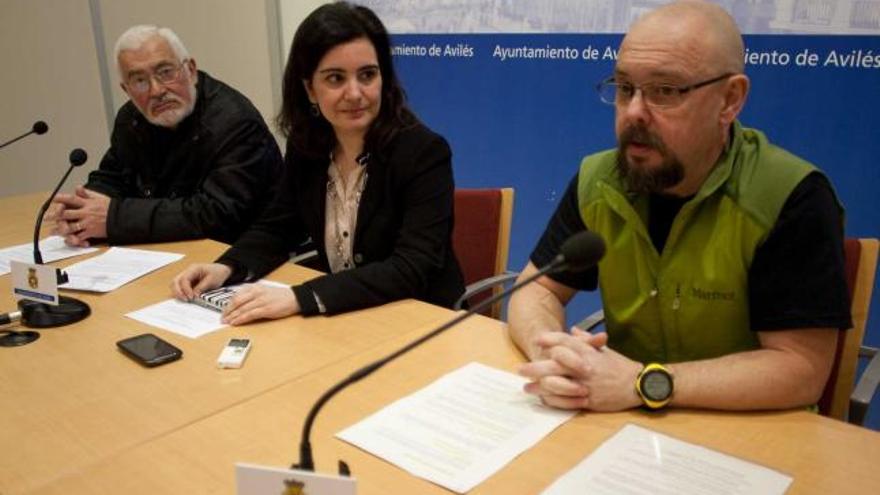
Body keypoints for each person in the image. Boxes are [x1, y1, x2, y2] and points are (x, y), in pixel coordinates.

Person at [509, 0, 851, 413]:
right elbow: (536, 290)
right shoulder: (599, 179)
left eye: (665, 91)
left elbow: (801, 370)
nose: (634, 112)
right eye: (624, 88)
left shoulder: (789, 194)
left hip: (747, 433)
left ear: (730, 100)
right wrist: (553, 355)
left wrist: (644, 383)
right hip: (620, 425)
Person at [171, 2, 464, 324]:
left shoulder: (423, 152)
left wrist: (303, 296)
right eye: (335, 78)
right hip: (345, 318)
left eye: (367, 75)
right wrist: (226, 267)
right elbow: (277, 227)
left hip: (418, 318)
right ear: (310, 88)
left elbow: (412, 267)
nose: (355, 93)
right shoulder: (307, 146)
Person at [49, 25, 283, 246]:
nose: (157, 90)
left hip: (237, 253)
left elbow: (217, 213)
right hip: (164, 248)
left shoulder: (234, 121)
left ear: (190, 70)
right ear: (126, 90)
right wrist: (81, 212)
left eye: (165, 72)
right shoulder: (131, 118)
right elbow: (114, 177)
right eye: (139, 80)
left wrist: (112, 219)